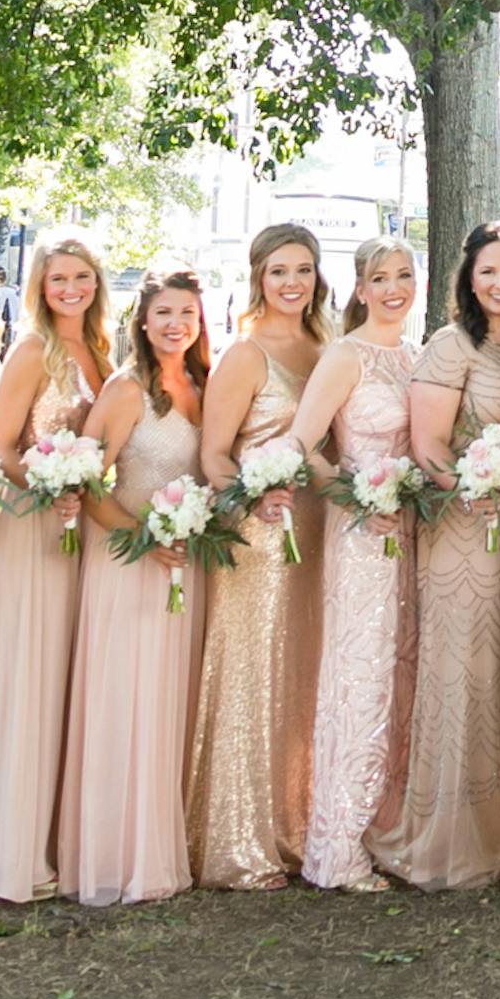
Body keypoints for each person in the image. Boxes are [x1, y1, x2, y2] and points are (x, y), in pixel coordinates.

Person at [370, 222, 500, 890]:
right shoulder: (452, 345)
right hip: (464, 532)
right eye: (487, 272)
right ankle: (448, 836)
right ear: (468, 281)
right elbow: (429, 444)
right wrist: (470, 488)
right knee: (461, 675)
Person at [187, 222, 331, 889]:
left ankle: (297, 829)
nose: (292, 283)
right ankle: (238, 841)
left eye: (303, 270)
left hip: (323, 527)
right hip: (260, 534)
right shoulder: (245, 355)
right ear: (258, 277)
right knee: (255, 678)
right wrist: (252, 493)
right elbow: (213, 455)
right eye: (279, 271)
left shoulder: (327, 346)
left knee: (305, 680)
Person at [62, 271, 212, 907]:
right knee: (126, 699)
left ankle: (166, 838)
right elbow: (86, 485)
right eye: (164, 313)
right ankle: (117, 854)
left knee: (170, 699)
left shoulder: (205, 386)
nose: (176, 323)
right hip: (128, 562)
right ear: (142, 322)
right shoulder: (125, 391)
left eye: (187, 313)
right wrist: (144, 540)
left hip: (188, 560)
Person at [0, 230, 112, 902]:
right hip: (32, 527)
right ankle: (18, 852)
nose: (70, 291)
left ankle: (65, 837)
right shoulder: (32, 350)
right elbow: (1, 445)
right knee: (30, 677)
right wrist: (46, 487)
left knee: (66, 679)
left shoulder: (107, 350)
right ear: (40, 287)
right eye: (58, 280)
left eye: (81, 279)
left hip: (84, 529)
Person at [290, 235, 425, 892]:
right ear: (361, 288)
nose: (395, 288)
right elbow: (303, 443)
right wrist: (354, 498)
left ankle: (385, 829)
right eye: (381, 278)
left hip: (408, 534)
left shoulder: (416, 356)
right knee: (358, 678)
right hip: (358, 536)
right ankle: (337, 847)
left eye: (404, 275)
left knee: (398, 678)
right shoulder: (346, 355)